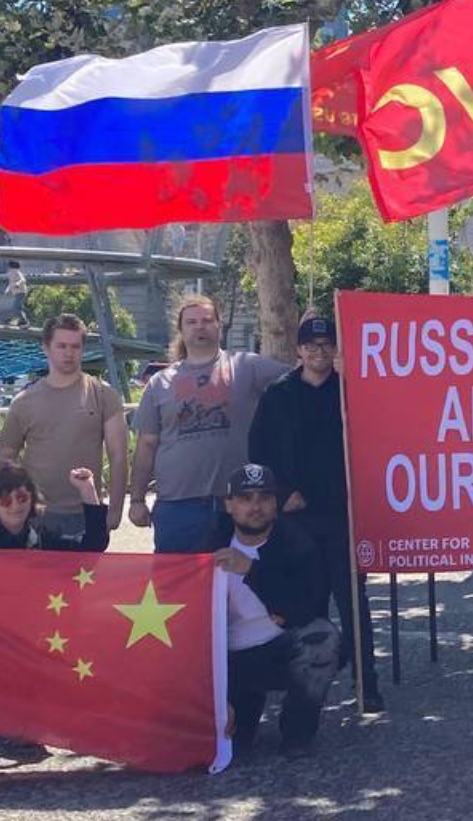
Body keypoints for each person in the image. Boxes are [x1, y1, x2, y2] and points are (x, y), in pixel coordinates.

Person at [246, 314, 385, 711]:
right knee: (305, 606)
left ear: (335, 350)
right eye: (311, 346)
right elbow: (259, 450)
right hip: (296, 520)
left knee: (353, 602)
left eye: (326, 345)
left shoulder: (349, 393)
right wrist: (280, 494)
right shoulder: (278, 395)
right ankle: (305, 692)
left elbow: (374, 440)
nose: (319, 352)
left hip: (343, 516)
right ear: (299, 350)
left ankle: (366, 683)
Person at [128, 294, 284, 554]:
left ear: (219, 325)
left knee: (242, 578)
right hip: (177, 508)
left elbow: (302, 377)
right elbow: (146, 444)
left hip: (240, 504)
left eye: (207, 320)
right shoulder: (159, 383)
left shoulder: (247, 367)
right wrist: (136, 499)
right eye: (191, 322)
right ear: (181, 330)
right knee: (175, 579)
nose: (200, 326)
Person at [209, 463, 343, 758]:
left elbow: (306, 608)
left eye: (264, 498)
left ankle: (297, 731)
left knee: (323, 640)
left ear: (276, 503)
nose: (255, 507)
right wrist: (213, 695)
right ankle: (239, 708)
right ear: (228, 504)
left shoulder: (299, 544)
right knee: (231, 746)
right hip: (226, 661)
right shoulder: (209, 545)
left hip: (277, 650)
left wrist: (252, 570)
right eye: (245, 498)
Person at [0, 313, 129, 543]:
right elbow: (5, 458)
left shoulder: (104, 395)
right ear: (46, 348)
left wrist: (115, 510)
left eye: (75, 346)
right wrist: (4, 510)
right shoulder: (23, 401)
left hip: (87, 514)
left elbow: (118, 456)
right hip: (35, 516)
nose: (69, 353)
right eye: (61, 346)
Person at [0, 465, 111, 552]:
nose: (16, 505)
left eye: (22, 497)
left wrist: (87, 490)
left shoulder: (41, 541)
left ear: (32, 499)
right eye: (6, 501)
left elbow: (93, 546)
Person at [3, 259, 30, 326]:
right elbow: (11, 283)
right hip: (17, 293)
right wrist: (7, 290)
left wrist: (18, 283)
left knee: (16, 307)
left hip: (21, 292)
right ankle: (20, 320)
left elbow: (23, 279)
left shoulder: (17, 272)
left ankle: (24, 321)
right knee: (17, 307)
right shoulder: (10, 274)